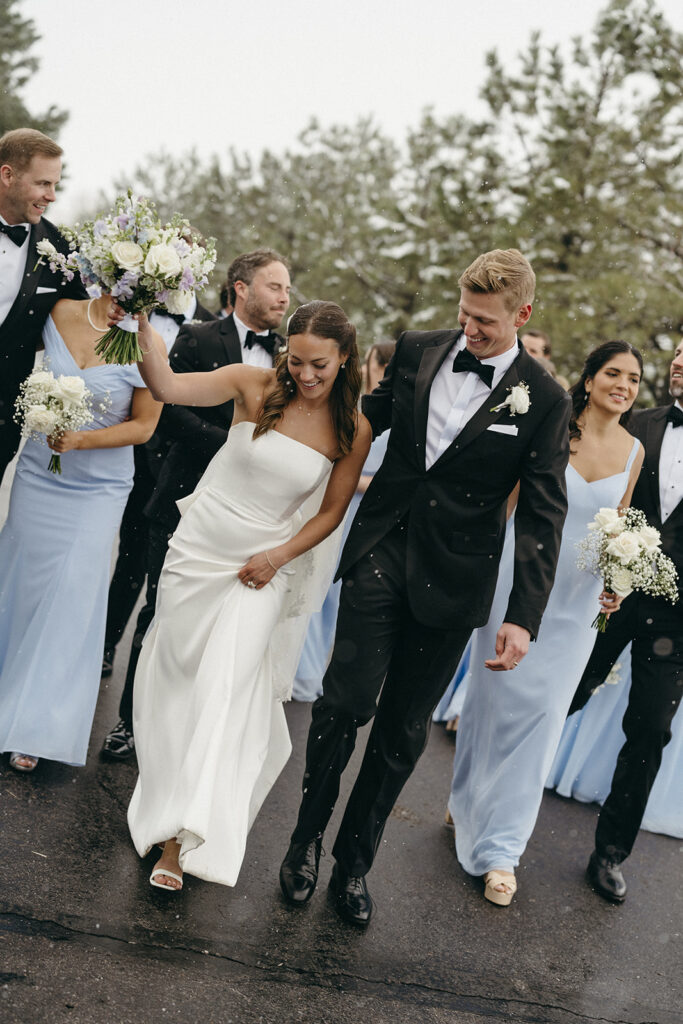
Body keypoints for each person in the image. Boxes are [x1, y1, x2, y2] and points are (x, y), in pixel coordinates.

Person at [280, 248, 571, 926]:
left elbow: (542, 512)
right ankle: (304, 842)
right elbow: (364, 418)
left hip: (456, 579)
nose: (469, 332)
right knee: (342, 704)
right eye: (465, 316)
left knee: (402, 732)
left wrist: (523, 615)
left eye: (487, 325)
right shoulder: (417, 348)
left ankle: (353, 866)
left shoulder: (545, 399)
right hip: (383, 547)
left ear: (522, 315)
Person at [125, 300, 371, 892]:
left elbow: (333, 511)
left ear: (344, 359)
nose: (306, 376)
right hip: (199, 549)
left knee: (224, 690)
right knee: (176, 680)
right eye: (298, 360)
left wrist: (277, 558)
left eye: (320, 365)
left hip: (260, 568)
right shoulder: (252, 384)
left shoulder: (351, 428)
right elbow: (164, 385)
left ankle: (180, 842)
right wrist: (140, 323)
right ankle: (162, 799)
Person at [447, 340, 644, 905]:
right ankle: (466, 802)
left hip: (575, 606)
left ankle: (503, 849)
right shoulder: (553, 425)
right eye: (613, 373)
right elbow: (508, 501)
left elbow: (619, 529)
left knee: (543, 717)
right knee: (489, 698)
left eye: (633, 379)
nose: (623, 386)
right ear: (589, 378)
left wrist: (617, 582)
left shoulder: (634, 452)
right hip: (518, 576)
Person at [100, 249, 289, 761]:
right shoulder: (200, 338)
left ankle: (183, 731)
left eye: (288, 288)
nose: (284, 297)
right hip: (184, 496)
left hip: (246, 516)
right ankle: (129, 725)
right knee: (159, 615)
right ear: (242, 287)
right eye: (275, 286)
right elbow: (171, 412)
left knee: (212, 627)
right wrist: (233, 446)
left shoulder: (291, 357)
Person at [0, 294, 162, 771]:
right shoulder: (59, 312)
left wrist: (81, 439)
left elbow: (145, 427)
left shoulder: (148, 345)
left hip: (99, 487)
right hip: (39, 472)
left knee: (71, 592)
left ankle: (36, 725)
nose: (126, 304)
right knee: (23, 582)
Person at [567, 337, 683, 903]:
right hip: (610, 594)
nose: (680, 361)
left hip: (676, 619)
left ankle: (611, 853)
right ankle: (489, 799)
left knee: (650, 730)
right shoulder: (641, 427)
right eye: (680, 351)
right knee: (566, 691)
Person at [100, 290, 217, 681]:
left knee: (150, 569)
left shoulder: (208, 325)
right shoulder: (129, 311)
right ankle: (103, 642)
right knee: (120, 554)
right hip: (124, 448)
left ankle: (126, 654)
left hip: (173, 467)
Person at [293, 340, 396, 701]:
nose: (366, 371)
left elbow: (388, 479)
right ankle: (300, 667)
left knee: (329, 593)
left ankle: (310, 670)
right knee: (312, 584)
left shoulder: (393, 421)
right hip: (335, 505)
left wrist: (354, 480)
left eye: (371, 364)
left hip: (356, 513)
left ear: (383, 367)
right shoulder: (353, 408)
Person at [0, 128, 87, 483]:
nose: (51, 196)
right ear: (7, 175)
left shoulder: (61, 250)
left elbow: (82, 324)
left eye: (55, 185)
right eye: (43, 184)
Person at [548, 651, 683, 840]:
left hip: (671, 631)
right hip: (616, 622)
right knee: (573, 688)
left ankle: (610, 852)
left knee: (653, 727)